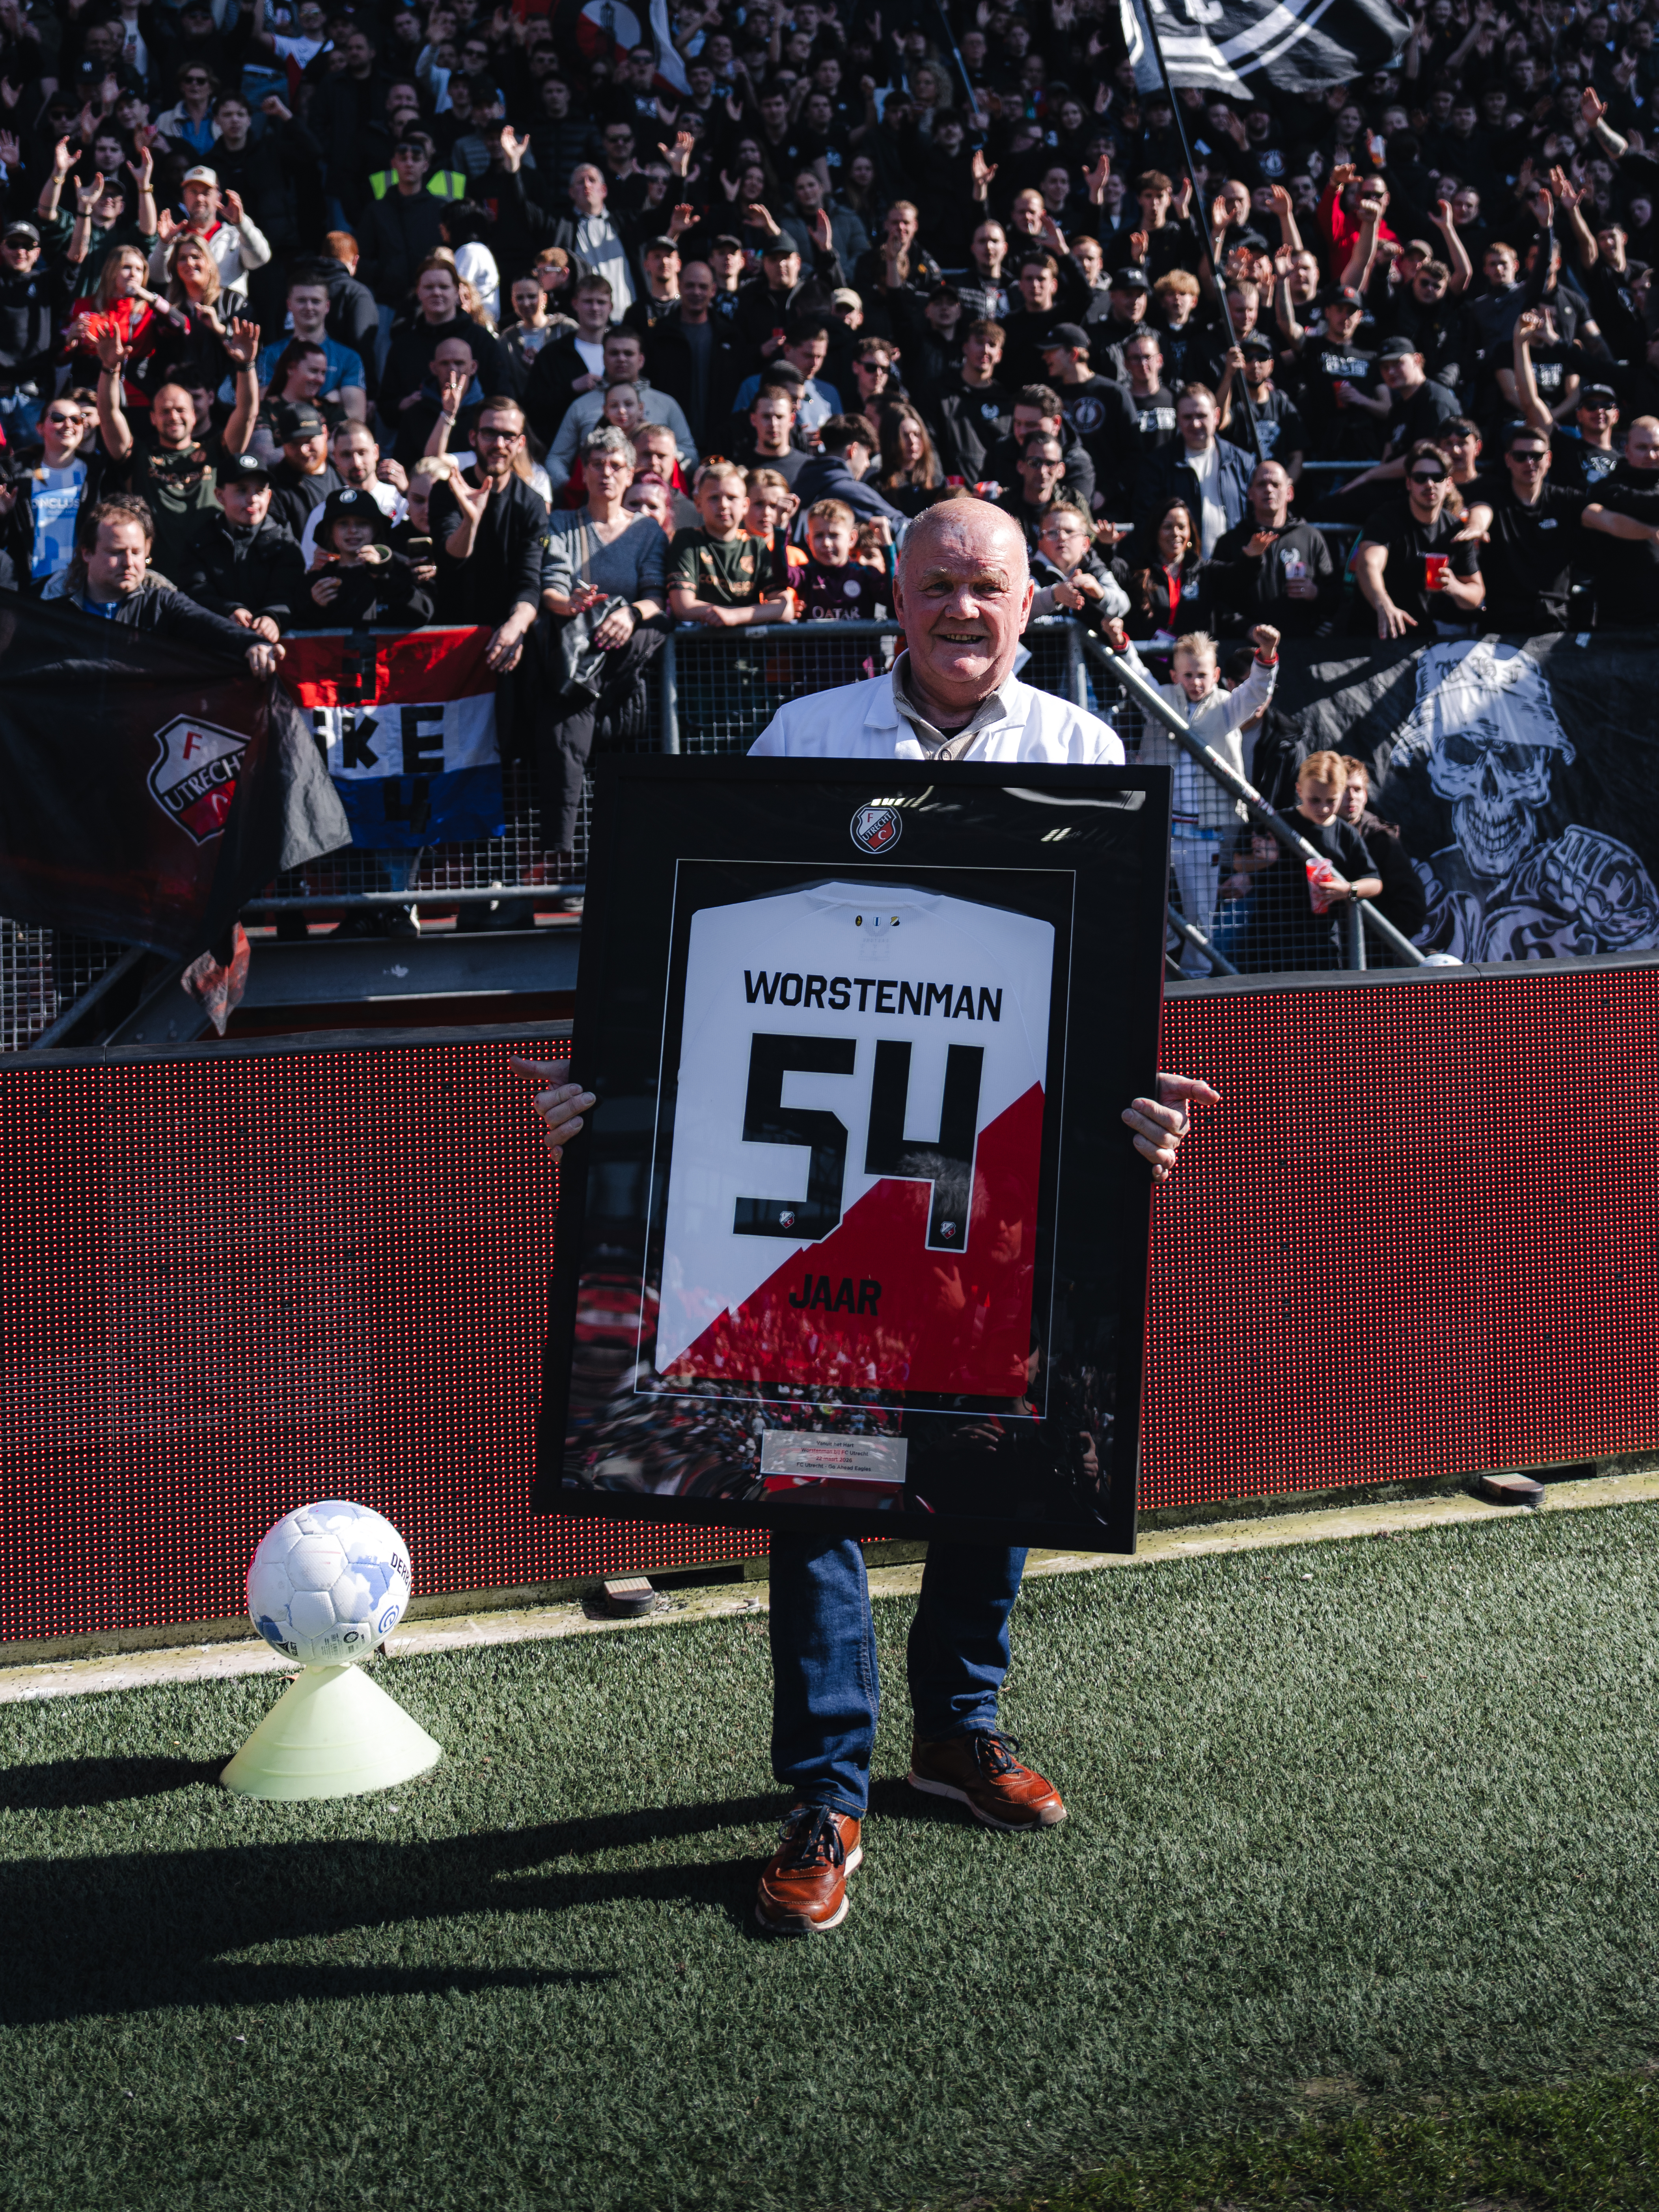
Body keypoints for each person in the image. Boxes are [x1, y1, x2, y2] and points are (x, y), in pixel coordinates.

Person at [516, 498, 1210, 1937]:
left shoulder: (1083, 753)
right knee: (813, 1470)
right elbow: (717, 961)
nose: (965, 612)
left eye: (991, 590)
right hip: (817, 1181)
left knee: (991, 1446)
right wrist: (612, 1096)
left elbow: (1110, 1009)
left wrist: (1138, 1109)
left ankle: (955, 1733)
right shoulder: (804, 741)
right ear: (894, 597)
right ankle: (826, 1791)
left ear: (1035, 602)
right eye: (940, 585)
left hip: (994, 1181)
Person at [534, 423, 668, 872]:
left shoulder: (647, 532)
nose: (605, 474)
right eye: (596, 465)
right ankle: (564, 862)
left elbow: (656, 597)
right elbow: (551, 585)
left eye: (615, 466)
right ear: (583, 471)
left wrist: (628, 614)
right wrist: (568, 603)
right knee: (568, 738)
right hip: (574, 660)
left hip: (623, 667)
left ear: (630, 473)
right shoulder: (560, 523)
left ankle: (621, 868)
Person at [1118, 623, 1282, 974]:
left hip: (1204, 829)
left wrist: (1267, 657)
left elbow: (1255, 692)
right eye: (1189, 674)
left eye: (1203, 675)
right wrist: (1122, 643)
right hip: (1159, 822)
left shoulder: (1226, 706)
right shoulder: (1162, 697)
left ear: (1217, 674)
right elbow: (1137, 677)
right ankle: (1168, 945)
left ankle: (1197, 975)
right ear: (1176, 675)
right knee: (1145, 894)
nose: (1196, 682)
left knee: (1200, 908)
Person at [64, 491, 283, 676]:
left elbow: (209, 625)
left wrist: (251, 643)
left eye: (137, 553)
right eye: (116, 553)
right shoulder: (52, 607)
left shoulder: (161, 603)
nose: (129, 563)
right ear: (87, 553)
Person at [1238, 749, 1383, 974]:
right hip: (1270, 941)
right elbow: (1237, 863)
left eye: (1332, 801)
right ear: (1299, 790)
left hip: (1322, 944)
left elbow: (1374, 882)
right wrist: (1264, 861)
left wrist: (1347, 890)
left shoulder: (1346, 834)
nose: (1324, 808)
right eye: (1315, 800)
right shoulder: (1278, 823)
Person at [1351, 440, 1486, 640]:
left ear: (1449, 484)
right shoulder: (1387, 517)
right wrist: (1384, 604)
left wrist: (1455, 587)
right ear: (1409, 483)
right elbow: (1368, 564)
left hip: (1421, 635)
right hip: (1374, 632)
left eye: (1437, 478)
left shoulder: (1455, 529)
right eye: (1421, 478)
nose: (1429, 484)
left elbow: (1476, 596)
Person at [179, 451, 305, 635]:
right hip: (217, 643)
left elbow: (289, 591)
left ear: (269, 497)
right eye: (242, 490)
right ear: (220, 496)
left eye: (260, 491)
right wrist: (228, 610)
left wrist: (273, 617)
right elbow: (194, 591)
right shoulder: (200, 543)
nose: (252, 499)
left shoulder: (285, 544)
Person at [1211, 460, 1337, 637]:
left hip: (1301, 649)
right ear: (1250, 494)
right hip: (1246, 651)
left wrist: (1315, 593)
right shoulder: (1231, 542)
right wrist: (1248, 629)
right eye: (1261, 484)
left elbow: (1335, 597)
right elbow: (1217, 602)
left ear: (1290, 493)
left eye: (1276, 485)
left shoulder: (1311, 537)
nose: (1269, 490)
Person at [667, 461, 798, 628]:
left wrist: (735, 616)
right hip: (699, 650)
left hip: (748, 651)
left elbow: (784, 608)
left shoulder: (757, 546)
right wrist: (743, 615)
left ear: (745, 506)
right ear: (698, 503)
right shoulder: (687, 540)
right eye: (714, 498)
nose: (724, 505)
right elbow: (683, 607)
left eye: (732, 497)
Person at [294, 484, 433, 629]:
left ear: (376, 529)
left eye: (362, 524)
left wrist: (383, 576)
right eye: (343, 524)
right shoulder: (318, 582)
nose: (353, 531)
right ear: (330, 532)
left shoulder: (400, 568)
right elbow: (298, 634)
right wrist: (315, 607)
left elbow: (423, 615)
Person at [1337, 755, 1428, 954]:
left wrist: (1372, 944)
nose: (1351, 796)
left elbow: (1412, 908)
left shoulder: (1382, 840)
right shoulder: (1315, 831)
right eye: (1344, 788)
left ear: (1366, 796)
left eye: (1357, 789)